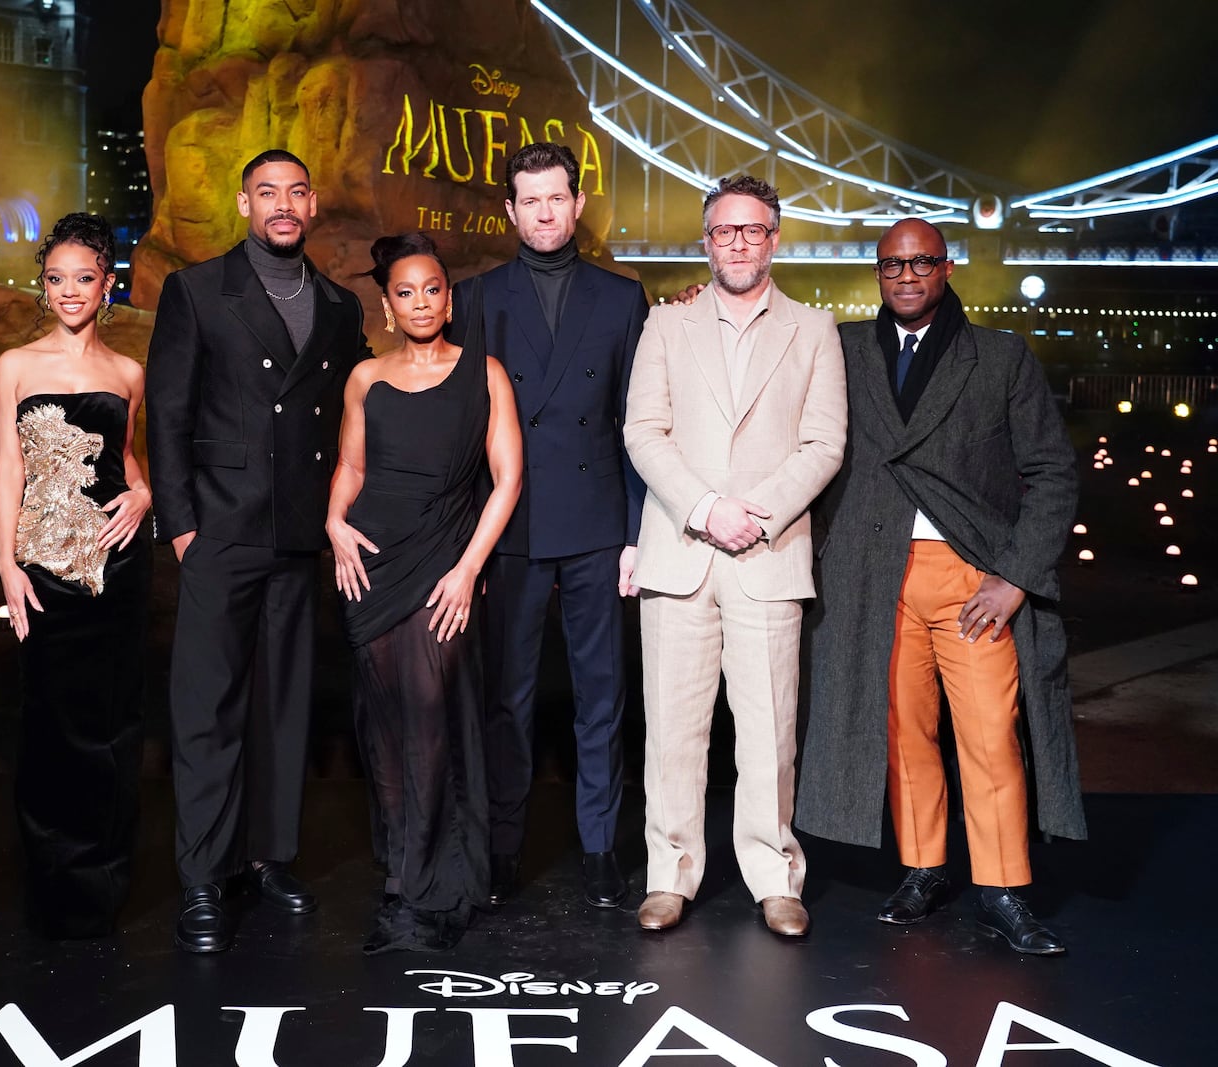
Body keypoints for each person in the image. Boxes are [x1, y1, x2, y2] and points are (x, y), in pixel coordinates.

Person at [797, 219, 1085, 955]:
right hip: (875, 574)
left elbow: (1053, 472)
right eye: (892, 264)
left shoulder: (999, 356)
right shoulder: (844, 348)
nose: (906, 275)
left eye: (921, 261)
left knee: (990, 738)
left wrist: (1015, 576)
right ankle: (923, 868)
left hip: (971, 580)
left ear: (947, 268)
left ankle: (1003, 888)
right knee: (901, 733)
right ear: (877, 272)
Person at [147, 148, 372, 953]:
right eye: (267, 192)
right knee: (207, 707)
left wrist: (336, 520)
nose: (283, 205)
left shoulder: (343, 308)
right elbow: (166, 417)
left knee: (284, 702)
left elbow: (348, 431)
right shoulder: (197, 289)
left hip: (298, 534)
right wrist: (181, 525)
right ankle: (205, 875)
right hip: (219, 529)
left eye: (296, 192)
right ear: (244, 203)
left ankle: (269, 856)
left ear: (313, 205)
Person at [623, 176, 846, 938]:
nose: (740, 241)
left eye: (753, 229)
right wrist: (704, 508)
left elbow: (825, 443)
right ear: (706, 242)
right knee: (674, 731)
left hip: (769, 551)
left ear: (774, 239)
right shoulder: (665, 324)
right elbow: (642, 432)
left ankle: (774, 876)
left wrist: (757, 513)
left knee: (770, 731)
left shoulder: (816, 329)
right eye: (725, 230)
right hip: (681, 548)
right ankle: (670, 874)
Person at [449, 142, 650, 910]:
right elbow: (464, 427)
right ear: (510, 210)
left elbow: (636, 423)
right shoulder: (477, 297)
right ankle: (503, 848)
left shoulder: (622, 296)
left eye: (555, 198)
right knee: (509, 695)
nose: (543, 211)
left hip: (599, 522)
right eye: (528, 200)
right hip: (512, 522)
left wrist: (636, 531)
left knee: (603, 693)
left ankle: (599, 846)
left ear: (577, 202)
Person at [328, 233, 523, 953]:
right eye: (405, 291)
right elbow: (351, 468)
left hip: (444, 561)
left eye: (432, 289)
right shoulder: (365, 377)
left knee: (433, 719)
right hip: (371, 563)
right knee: (385, 727)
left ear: (449, 295)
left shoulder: (486, 374)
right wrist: (332, 522)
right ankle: (401, 880)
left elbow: (506, 482)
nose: (419, 302)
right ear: (387, 303)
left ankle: (434, 885)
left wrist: (468, 568)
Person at [0, 213, 152, 939]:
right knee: (49, 725)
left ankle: (103, 886)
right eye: (54, 278)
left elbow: (125, 460)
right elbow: (10, 469)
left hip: (116, 567)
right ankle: (52, 885)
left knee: (113, 724)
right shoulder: (16, 365)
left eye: (82, 278)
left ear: (107, 285)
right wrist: (6, 562)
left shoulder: (128, 373)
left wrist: (146, 493)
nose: (67, 291)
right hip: (42, 570)